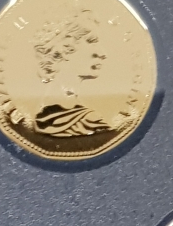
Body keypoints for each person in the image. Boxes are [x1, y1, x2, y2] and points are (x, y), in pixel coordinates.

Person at [29, 10, 118, 138]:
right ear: (65, 48)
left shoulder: (90, 121)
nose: (102, 53)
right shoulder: (92, 123)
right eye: (92, 41)